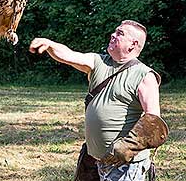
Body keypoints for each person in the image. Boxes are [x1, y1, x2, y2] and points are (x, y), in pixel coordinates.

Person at [29, 20, 168, 181]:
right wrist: (50, 44)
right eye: (115, 31)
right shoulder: (99, 62)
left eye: (120, 33)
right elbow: (70, 55)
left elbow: (153, 122)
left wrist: (125, 150)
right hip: (95, 160)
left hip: (125, 165)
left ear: (133, 44)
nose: (113, 35)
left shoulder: (144, 75)